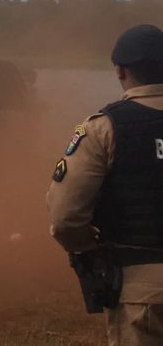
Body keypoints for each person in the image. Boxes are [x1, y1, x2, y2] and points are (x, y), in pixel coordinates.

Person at [47, 24, 163, 345]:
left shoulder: (104, 128)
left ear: (120, 71)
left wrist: (91, 250)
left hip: (143, 293)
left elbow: (66, 218)